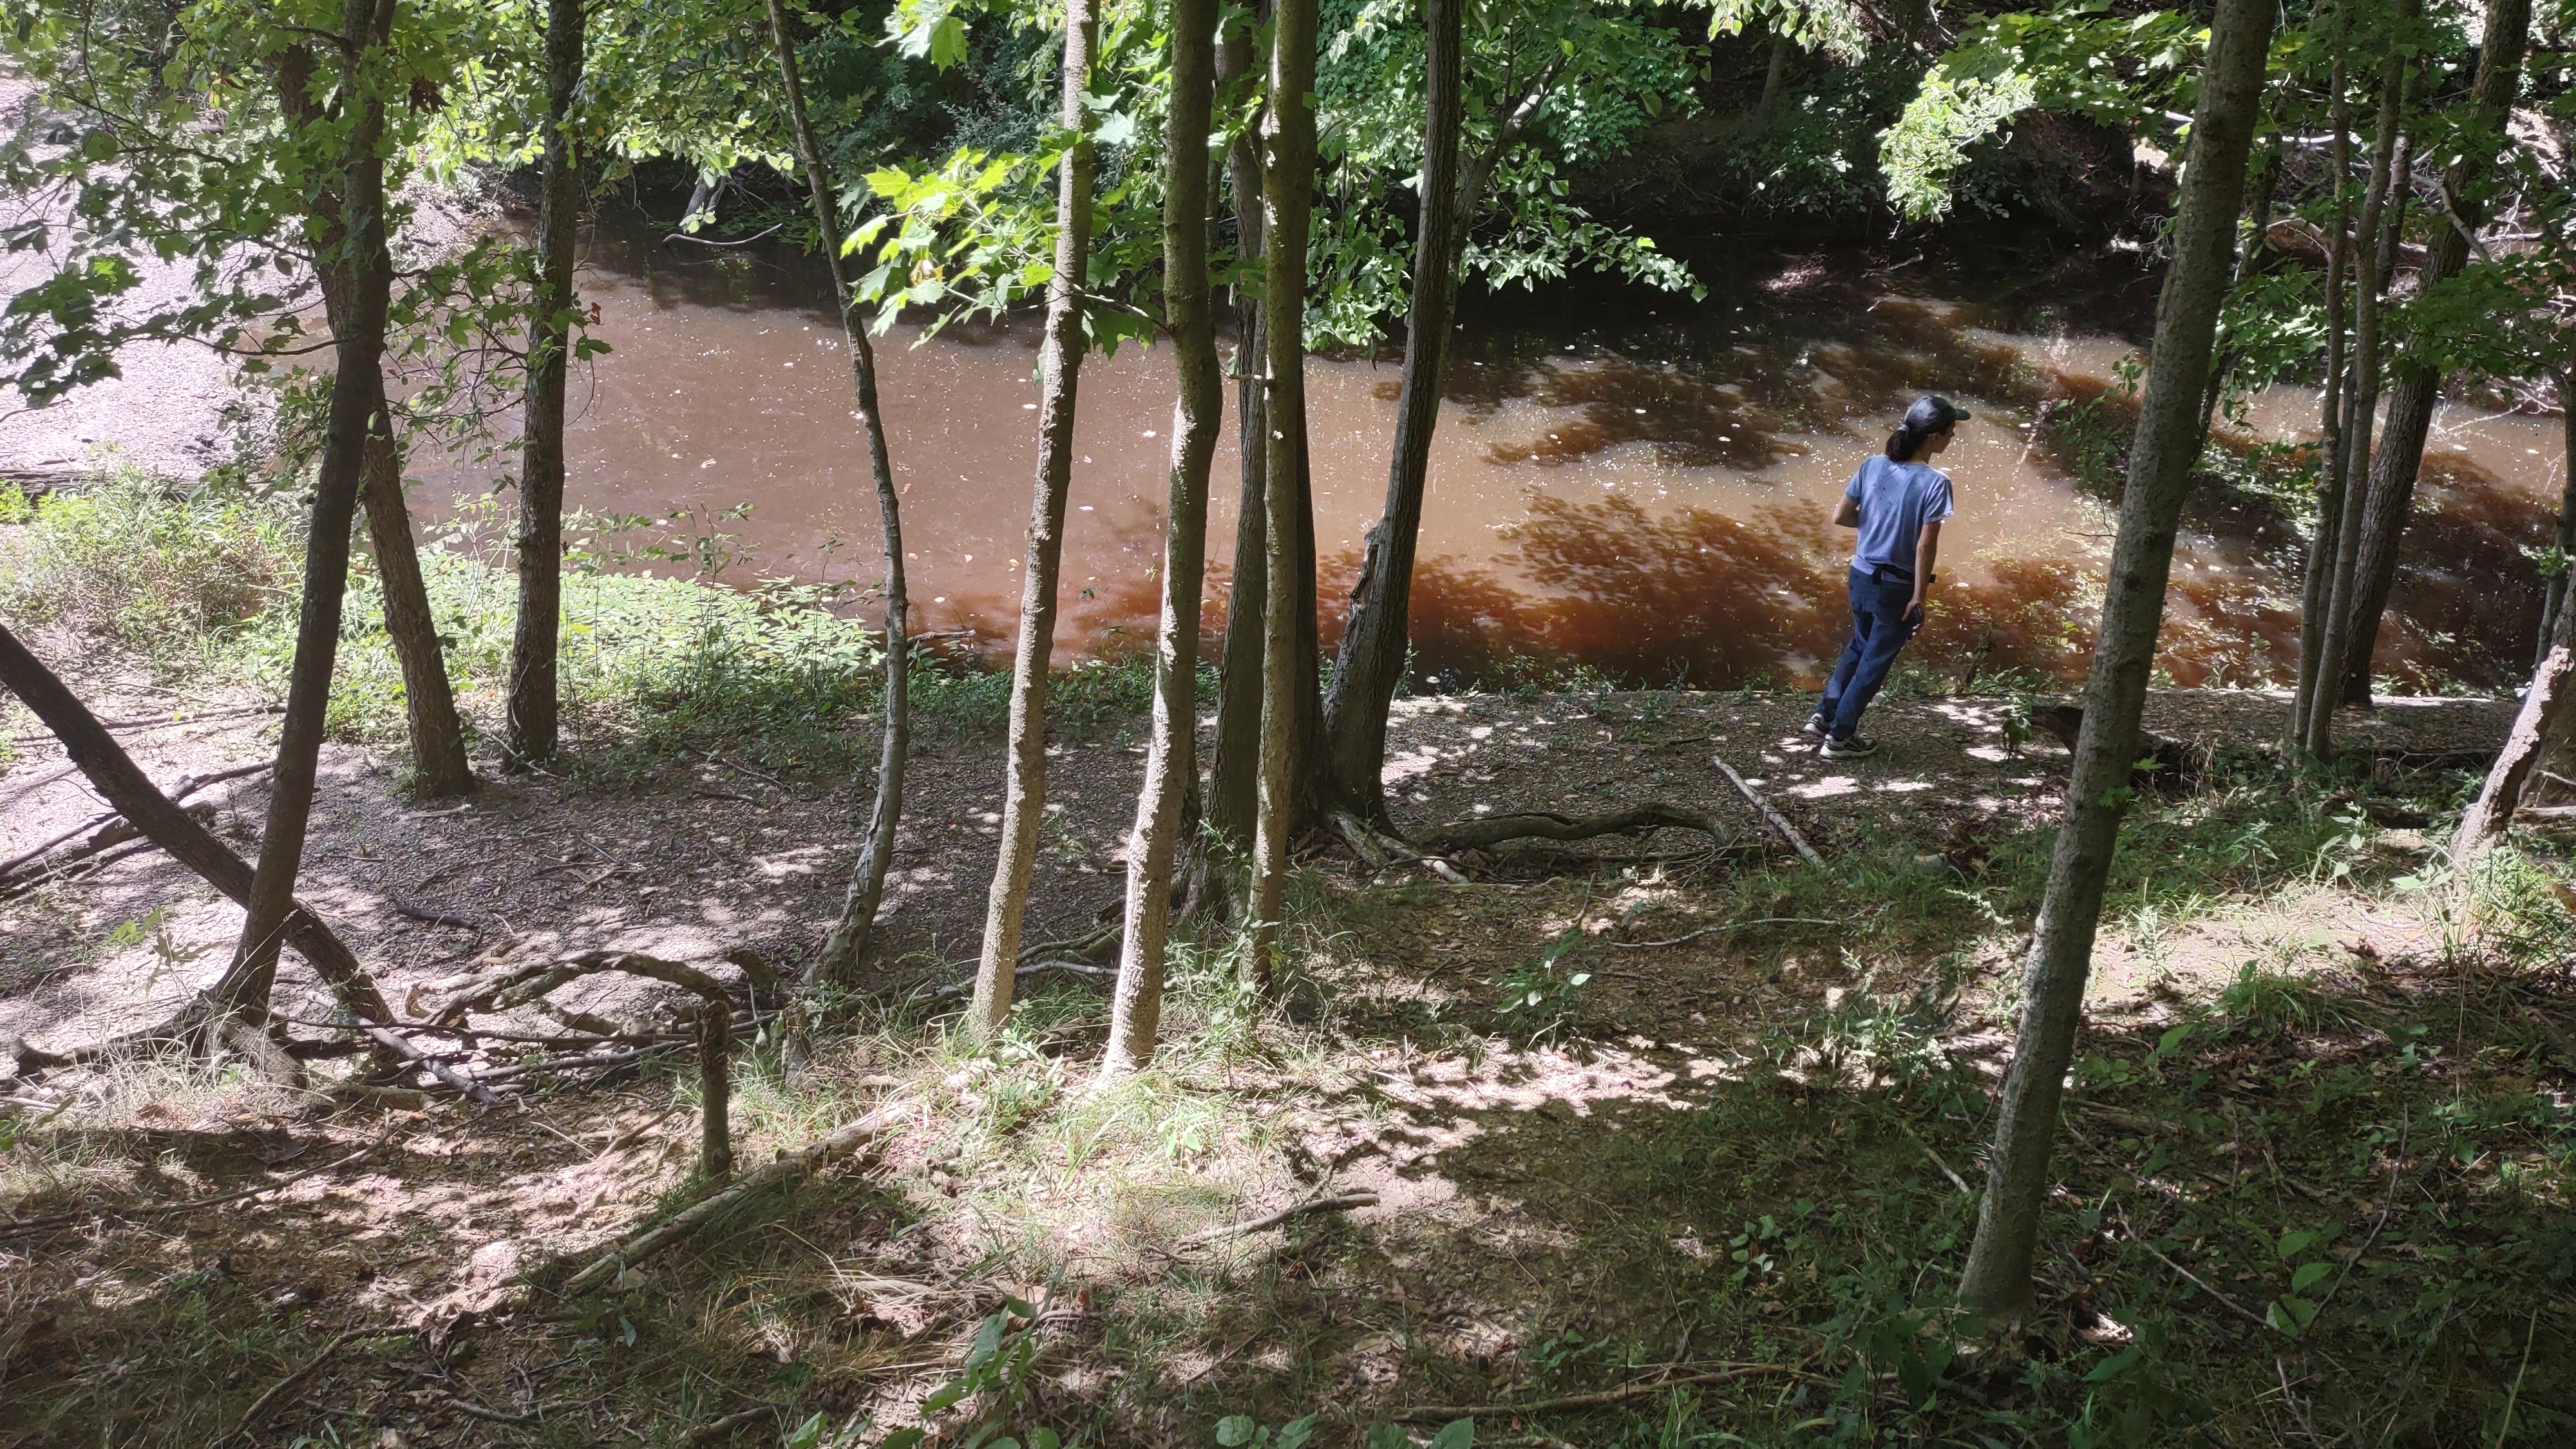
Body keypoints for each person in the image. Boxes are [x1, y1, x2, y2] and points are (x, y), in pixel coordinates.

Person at [1805, 395, 1968, 758]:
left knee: (1859, 646)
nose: (1954, 436)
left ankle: (1823, 717)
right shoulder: (1935, 483)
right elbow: (1926, 547)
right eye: (1951, 430)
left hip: (1861, 575)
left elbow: (1841, 517)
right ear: (1933, 437)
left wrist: (1879, 524)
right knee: (1874, 661)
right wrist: (1919, 597)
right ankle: (1840, 738)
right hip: (1895, 586)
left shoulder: (1873, 465)